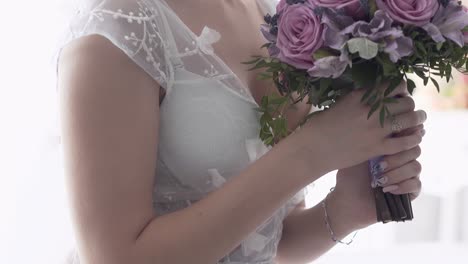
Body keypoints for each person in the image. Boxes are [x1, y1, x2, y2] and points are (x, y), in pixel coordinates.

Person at [55, 0, 426, 263]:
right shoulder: (117, 26)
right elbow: (115, 258)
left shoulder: (268, 16)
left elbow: (270, 243)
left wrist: (345, 209)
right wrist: (314, 150)